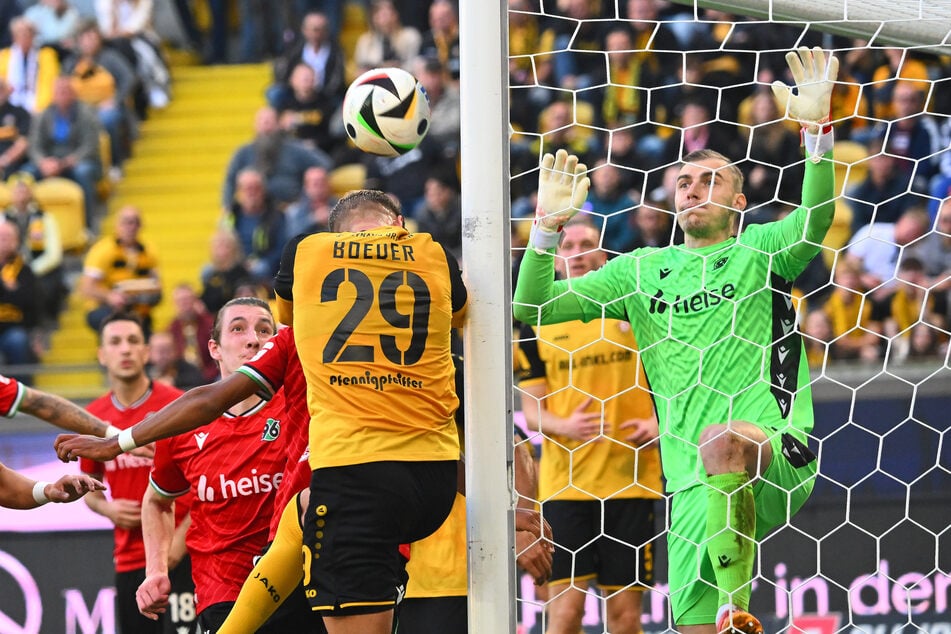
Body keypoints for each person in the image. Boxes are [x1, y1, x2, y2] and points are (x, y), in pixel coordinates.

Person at [512, 47, 839, 634]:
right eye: (683, 180)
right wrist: (545, 228)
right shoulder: (640, 271)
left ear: (739, 202)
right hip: (687, 483)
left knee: (722, 440)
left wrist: (816, 135)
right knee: (688, 626)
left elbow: (817, 218)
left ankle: (735, 611)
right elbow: (532, 306)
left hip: (776, 449)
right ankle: (722, 614)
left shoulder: (761, 250)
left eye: (711, 180)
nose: (693, 188)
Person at [272, 189, 467, 634]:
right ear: (398, 220)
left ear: (335, 233)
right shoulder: (432, 250)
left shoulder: (306, 251)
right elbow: (458, 313)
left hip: (356, 474)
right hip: (433, 479)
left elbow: (289, 315)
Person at [515, 216, 662, 634]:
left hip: (631, 482)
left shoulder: (631, 310)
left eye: (586, 242)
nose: (576, 251)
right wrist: (567, 424)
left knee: (626, 618)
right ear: (557, 259)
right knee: (564, 615)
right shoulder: (537, 321)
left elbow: (671, 378)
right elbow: (532, 411)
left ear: (602, 253)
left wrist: (658, 422)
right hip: (566, 489)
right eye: (567, 245)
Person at [134, 297, 289, 632]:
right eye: (238, 328)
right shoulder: (184, 423)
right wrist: (156, 570)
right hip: (223, 593)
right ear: (214, 348)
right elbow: (158, 500)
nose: (254, 338)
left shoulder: (301, 410)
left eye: (265, 329)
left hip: (295, 587)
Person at [78, 311, 195, 634]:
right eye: (115, 342)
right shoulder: (93, 417)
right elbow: (91, 486)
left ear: (146, 352)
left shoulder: (178, 406)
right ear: (102, 355)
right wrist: (106, 507)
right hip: (131, 558)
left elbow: (205, 481)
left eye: (133, 341)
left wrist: (178, 544)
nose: (125, 350)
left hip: (187, 553)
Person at [25, 75, 104, 227]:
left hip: (78, 161)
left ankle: (89, 224)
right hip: (50, 162)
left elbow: (91, 145)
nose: (62, 95)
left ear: (73, 93)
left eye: (65, 91)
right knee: (26, 173)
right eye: (58, 91)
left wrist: (68, 161)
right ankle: (29, 225)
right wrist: (43, 162)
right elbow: (34, 145)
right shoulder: (44, 114)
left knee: (83, 172)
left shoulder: (85, 113)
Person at [221, 106, 332, 208]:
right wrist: (228, 207)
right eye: (262, 121)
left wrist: (306, 192)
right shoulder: (243, 153)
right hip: (257, 211)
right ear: (255, 125)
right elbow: (230, 180)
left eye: (269, 121)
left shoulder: (295, 149)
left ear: (278, 125)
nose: (266, 126)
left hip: (291, 209)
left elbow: (325, 164)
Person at [79, 205, 162, 335]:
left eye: (136, 222)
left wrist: (147, 295)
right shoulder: (103, 250)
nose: (131, 226)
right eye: (127, 222)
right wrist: (109, 296)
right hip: (107, 310)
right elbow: (86, 287)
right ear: (117, 225)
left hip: (139, 311)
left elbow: (157, 284)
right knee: (116, 328)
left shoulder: (148, 251)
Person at [3, 171, 65, 325]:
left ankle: (43, 323)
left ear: (31, 192)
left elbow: (54, 254)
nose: (20, 193)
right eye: (17, 189)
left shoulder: (44, 217)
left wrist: (31, 270)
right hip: (9, 268)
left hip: (38, 269)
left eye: (24, 189)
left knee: (44, 285)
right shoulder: (3, 218)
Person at [0, 218, 42, 382]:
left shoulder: (24, 270)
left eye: (7, 238)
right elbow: (15, 296)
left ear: (16, 241)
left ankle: (24, 397)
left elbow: (27, 300)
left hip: (15, 327)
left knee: (17, 341)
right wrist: (8, 289)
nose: (3, 242)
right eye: (1, 237)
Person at [0, 16, 60, 115]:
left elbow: (50, 84)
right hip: (7, 106)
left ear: (33, 36)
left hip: (38, 107)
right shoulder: (4, 56)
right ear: (14, 37)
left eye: (27, 33)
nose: (24, 37)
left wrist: (40, 108)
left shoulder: (46, 55)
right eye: (20, 34)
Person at [0, 77, 31, 179]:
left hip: (11, 163)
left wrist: (4, 160)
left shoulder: (20, 112)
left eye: (1, 88)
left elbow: (23, 143)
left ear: (9, 90)